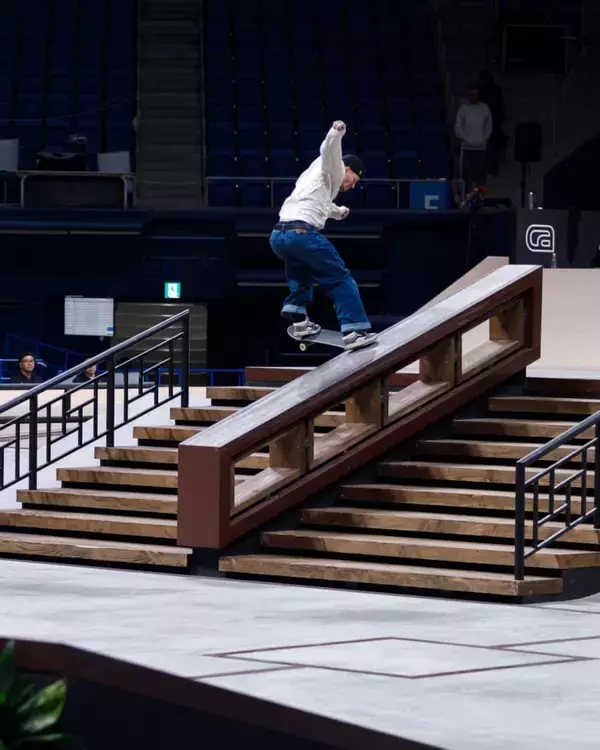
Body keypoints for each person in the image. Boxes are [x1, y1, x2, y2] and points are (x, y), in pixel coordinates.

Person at [270, 120, 377, 351]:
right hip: (301, 234)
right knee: (339, 277)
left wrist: (339, 212)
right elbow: (329, 151)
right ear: (348, 170)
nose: (352, 187)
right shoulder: (335, 168)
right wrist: (336, 133)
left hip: (279, 236)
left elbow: (321, 205)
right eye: (354, 181)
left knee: (301, 274)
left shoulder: (311, 177)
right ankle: (354, 331)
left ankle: (299, 321)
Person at [455, 86, 493, 190]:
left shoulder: (485, 108)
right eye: (471, 94)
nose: (473, 97)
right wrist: (465, 139)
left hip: (481, 148)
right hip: (466, 148)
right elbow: (458, 127)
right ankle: (467, 195)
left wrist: (483, 139)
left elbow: (489, 127)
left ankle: (480, 196)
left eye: (475, 94)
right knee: (467, 175)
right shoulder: (463, 109)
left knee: (481, 175)